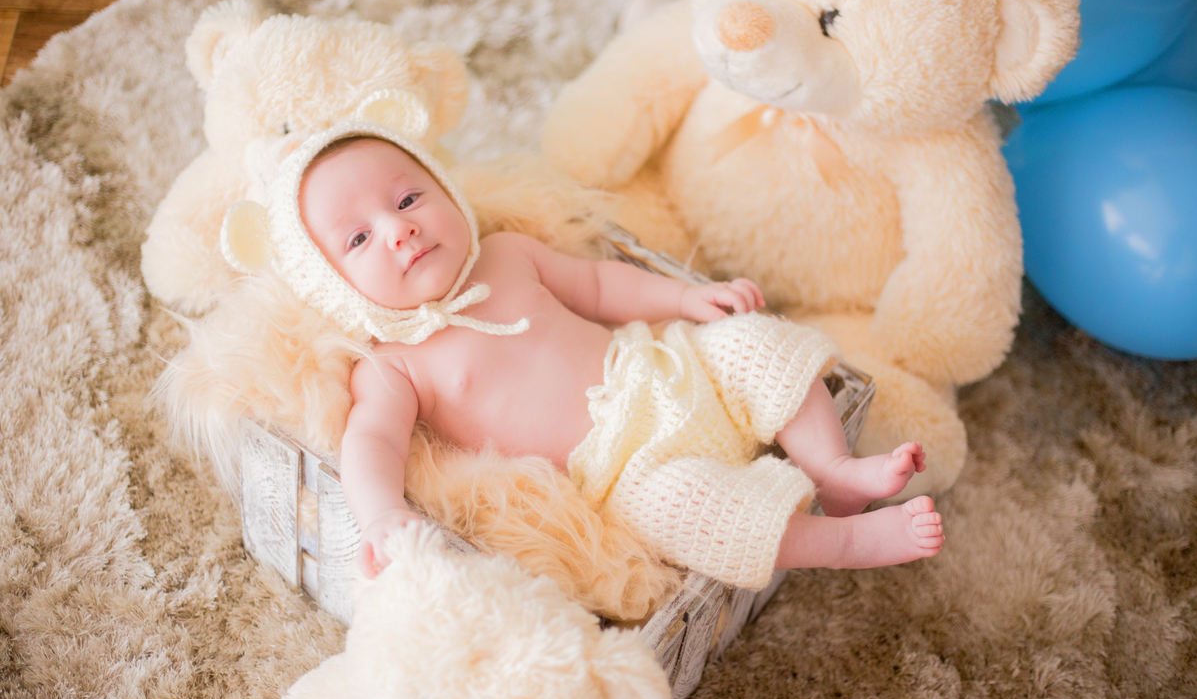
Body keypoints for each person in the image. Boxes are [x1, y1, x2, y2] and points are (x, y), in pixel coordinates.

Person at [238, 119, 944, 590]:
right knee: (690, 514)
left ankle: (831, 468)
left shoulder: (506, 255)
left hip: (661, 368)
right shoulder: (393, 364)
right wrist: (380, 515)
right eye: (358, 239)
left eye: (409, 198)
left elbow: (601, 285)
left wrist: (684, 299)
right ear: (333, 286)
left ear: (447, 192)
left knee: (755, 343)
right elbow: (373, 443)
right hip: (623, 470)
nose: (400, 230)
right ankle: (844, 543)